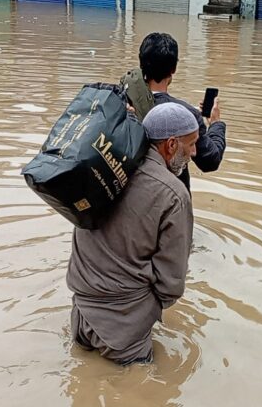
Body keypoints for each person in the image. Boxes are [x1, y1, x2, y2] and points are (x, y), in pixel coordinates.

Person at [67, 102, 199, 365]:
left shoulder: (107, 166)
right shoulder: (174, 194)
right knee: (142, 391)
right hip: (123, 331)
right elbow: (171, 283)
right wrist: (143, 309)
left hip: (79, 315)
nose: (194, 152)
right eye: (191, 143)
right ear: (171, 145)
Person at [139, 32, 227, 191]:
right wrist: (216, 124)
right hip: (170, 199)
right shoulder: (186, 114)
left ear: (141, 65)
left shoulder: (121, 103)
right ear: (173, 69)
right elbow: (210, 161)